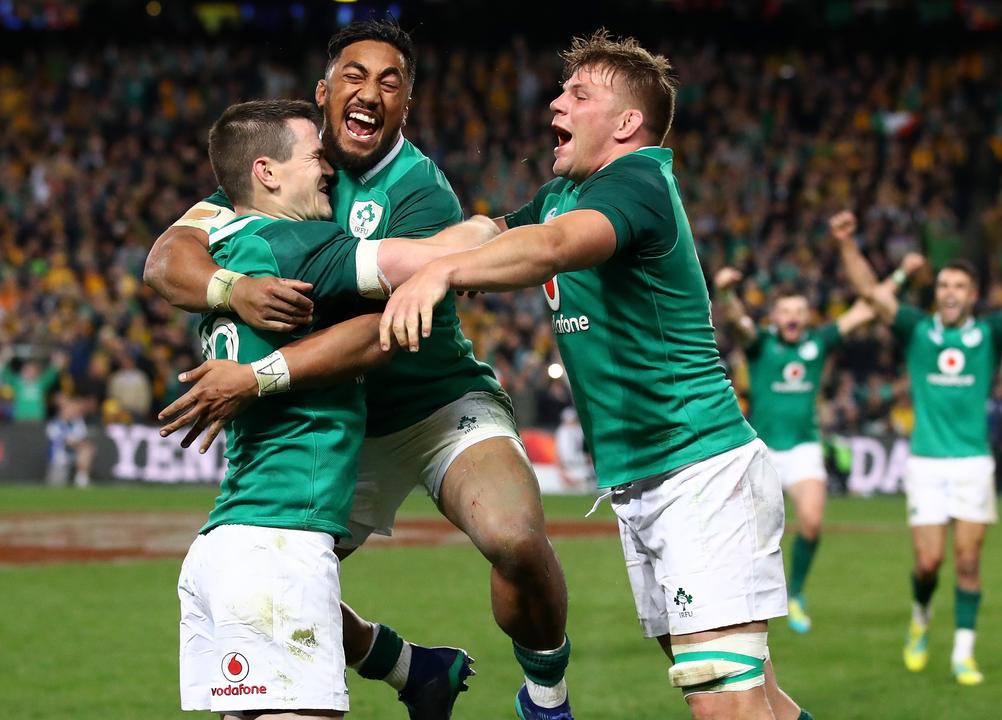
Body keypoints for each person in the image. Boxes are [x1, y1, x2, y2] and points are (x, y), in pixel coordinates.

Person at [378, 29, 813, 720]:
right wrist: (372, 261)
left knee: (724, 704)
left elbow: (549, 249)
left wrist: (441, 274)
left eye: (579, 94)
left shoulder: (637, 182)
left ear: (627, 123)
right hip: (646, 482)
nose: (555, 102)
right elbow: (489, 232)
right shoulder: (562, 194)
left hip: (700, 472)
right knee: (747, 697)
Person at [146, 21, 574, 718]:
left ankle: (547, 698)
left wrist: (483, 230)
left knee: (515, 537)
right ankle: (411, 669)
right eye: (354, 75)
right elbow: (169, 256)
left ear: (408, 102)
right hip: (341, 421)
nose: (369, 92)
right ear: (323, 91)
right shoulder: (285, 165)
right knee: (280, 564)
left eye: (390, 81)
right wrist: (233, 288)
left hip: (434, 401)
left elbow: (393, 330)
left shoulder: (417, 189)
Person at [176, 98, 501, 719]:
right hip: (277, 547)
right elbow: (419, 273)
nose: (329, 169)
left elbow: (164, 261)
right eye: (314, 157)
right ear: (267, 173)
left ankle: (411, 667)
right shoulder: (297, 245)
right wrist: (485, 229)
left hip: (224, 548)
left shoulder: (222, 250)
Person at [836, 209, 1002, 685]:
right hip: (926, 461)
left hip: (972, 462)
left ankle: (964, 653)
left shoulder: (988, 333)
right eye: (943, 286)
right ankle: (920, 617)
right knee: (929, 562)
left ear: (972, 296)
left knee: (968, 562)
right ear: (936, 293)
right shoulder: (916, 328)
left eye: (959, 287)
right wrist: (847, 242)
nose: (949, 293)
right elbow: (869, 292)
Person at [712, 250, 921, 634]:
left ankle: (798, 595)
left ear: (807, 317)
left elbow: (866, 310)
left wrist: (902, 275)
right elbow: (738, 323)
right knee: (752, 534)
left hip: (805, 445)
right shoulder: (760, 344)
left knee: (811, 523)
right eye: (785, 310)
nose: (792, 317)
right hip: (763, 448)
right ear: (775, 316)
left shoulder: (818, 342)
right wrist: (726, 293)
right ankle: (748, 600)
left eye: (799, 311)